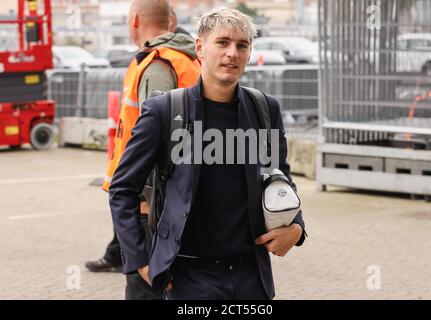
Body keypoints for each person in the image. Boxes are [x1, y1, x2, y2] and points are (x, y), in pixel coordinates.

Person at [109, 8, 307, 300]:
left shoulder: (265, 109)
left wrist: (297, 228)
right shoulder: (164, 111)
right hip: (188, 275)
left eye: (242, 45)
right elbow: (122, 188)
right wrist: (140, 261)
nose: (232, 53)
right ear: (200, 47)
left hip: (250, 274)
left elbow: (280, 178)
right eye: (223, 42)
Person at [85, 0, 200, 300]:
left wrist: (149, 204)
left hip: (149, 209)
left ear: (134, 20)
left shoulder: (158, 65)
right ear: (170, 22)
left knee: (145, 293)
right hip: (166, 202)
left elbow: (159, 141)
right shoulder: (184, 60)